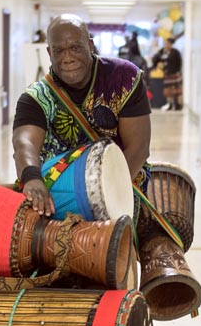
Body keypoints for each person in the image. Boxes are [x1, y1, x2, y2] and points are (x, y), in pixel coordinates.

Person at [12, 14, 151, 218]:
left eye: (75, 48)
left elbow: (138, 148)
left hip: (122, 184)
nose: (67, 58)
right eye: (59, 51)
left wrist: (108, 194)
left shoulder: (124, 78)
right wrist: (32, 179)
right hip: (58, 193)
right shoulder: (36, 97)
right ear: (50, 53)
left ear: (90, 45)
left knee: (154, 243)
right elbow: (25, 143)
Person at [152, 37, 183, 111]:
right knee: (168, 91)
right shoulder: (162, 52)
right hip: (167, 73)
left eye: (167, 43)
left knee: (176, 90)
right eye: (165, 43)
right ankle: (170, 104)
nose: (166, 45)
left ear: (171, 44)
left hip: (175, 73)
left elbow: (179, 62)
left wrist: (178, 70)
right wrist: (157, 66)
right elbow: (155, 59)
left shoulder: (175, 52)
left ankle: (177, 104)